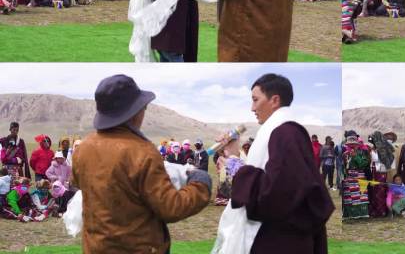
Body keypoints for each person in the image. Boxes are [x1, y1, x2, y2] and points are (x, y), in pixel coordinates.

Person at [72, 74, 211, 252]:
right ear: (133, 113)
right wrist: (200, 184)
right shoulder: (142, 152)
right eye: (143, 107)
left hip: (96, 247)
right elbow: (171, 207)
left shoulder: (84, 148)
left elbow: (81, 183)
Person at [216, 73, 334, 253]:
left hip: (279, 240)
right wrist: (233, 154)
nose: (252, 108)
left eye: (255, 100)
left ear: (275, 100)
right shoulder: (280, 132)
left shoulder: (286, 133)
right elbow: (271, 176)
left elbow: (279, 193)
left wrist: (235, 167)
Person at [342, 131, 370, 219]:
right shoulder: (345, 154)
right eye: (350, 145)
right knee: (350, 197)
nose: (352, 146)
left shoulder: (362, 153)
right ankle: (351, 215)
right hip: (349, 178)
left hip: (360, 177)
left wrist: (355, 157)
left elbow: (364, 164)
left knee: (361, 196)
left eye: (354, 144)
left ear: (357, 145)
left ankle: (361, 214)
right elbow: (343, 167)